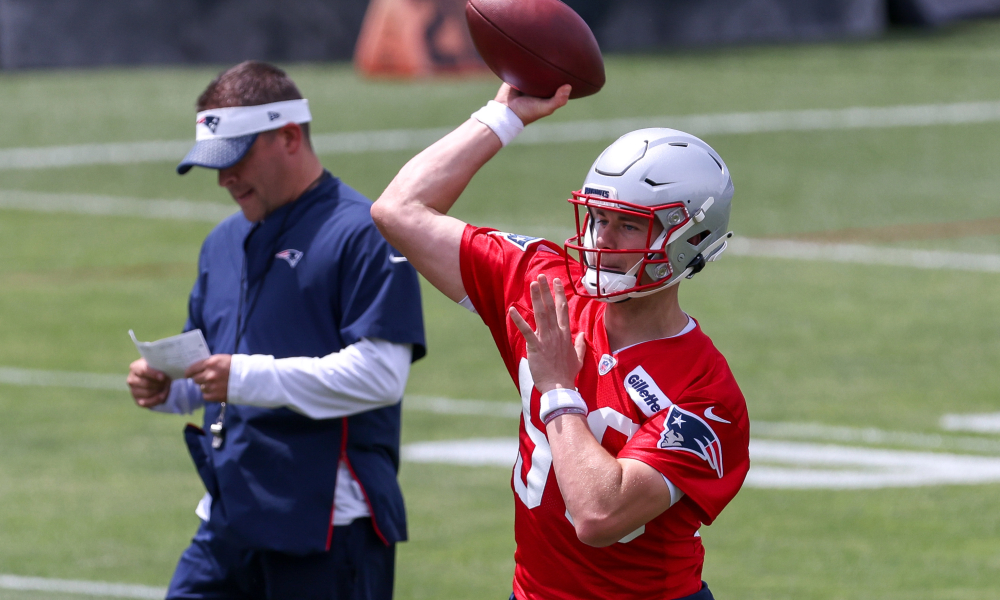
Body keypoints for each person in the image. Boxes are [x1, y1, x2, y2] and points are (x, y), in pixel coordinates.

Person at [371, 83, 750, 600]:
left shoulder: (707, 393)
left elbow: (599, 514)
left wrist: (556, 391)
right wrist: (503, 115)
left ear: (687, 240)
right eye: (597, 218)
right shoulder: (549, 289)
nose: (600, 241)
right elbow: (399, 209)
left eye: (627, 226)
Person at [125, 61, 426, 600]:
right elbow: (213, 368)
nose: (224, 179)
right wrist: (171, 386)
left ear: (289, 136)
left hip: (328, 527)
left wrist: (241, 377)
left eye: (235, 158)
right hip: (229, 516)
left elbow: (381, 376)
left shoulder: (364, 232)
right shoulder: (221, 243)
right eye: (214, 165)